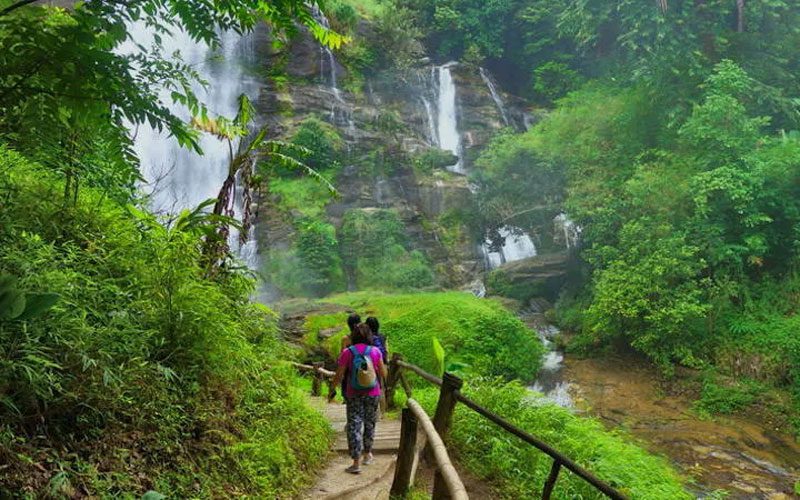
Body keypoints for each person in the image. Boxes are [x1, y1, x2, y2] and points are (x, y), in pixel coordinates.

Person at [332, 323, 387, 474]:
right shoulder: (375, 351)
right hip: (372, 393)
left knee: (354, 425)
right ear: (369, 336)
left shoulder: (348, 352)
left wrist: (332, 388)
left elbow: (339, 374)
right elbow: (383, 374)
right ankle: (367, 454)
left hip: (353, 393)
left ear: (353, 336)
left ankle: (356, 463)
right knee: (370, 423)